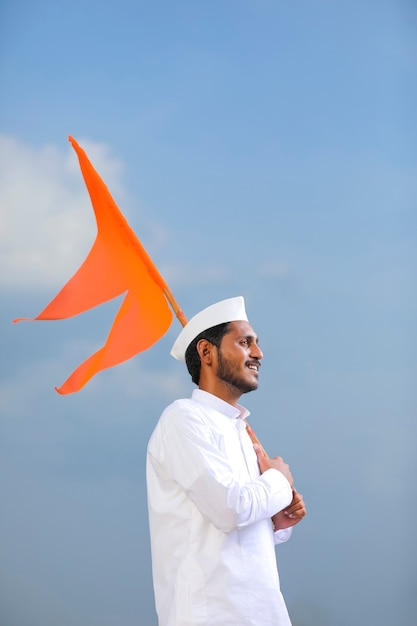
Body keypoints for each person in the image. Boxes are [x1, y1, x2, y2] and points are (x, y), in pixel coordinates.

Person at [146, 296, 306, 626]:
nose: (258, 354)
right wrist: (279, 480)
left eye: (257, 344)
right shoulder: (184, 419)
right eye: (245, 342)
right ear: (206, 352)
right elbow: (230, 509)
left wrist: (276, 521)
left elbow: (231, 524)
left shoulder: (239, 429)